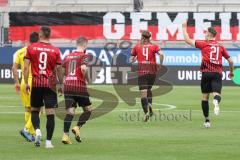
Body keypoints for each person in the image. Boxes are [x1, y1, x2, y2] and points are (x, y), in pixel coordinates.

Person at [182, 21, 234, 128]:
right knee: (217, 94)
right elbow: (231, 61)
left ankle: (207, 121)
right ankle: (216, 102)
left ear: (210, 34)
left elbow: (187, 40)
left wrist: (183, 27)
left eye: (206, 33)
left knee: (205, 97)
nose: (205, 34)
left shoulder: (204, 44)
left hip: (206, 73)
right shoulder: (220, 46)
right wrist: (231, 72)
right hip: (217, 73)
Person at [24, 26, 63, 148]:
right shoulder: (56, 50)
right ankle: (48, 142)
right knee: (50, 113)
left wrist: (26, 82)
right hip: (50, 85)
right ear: (49, 35)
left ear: (40, 35)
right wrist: (61, 84)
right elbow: (59, 69)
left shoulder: (31, 48)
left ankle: (37, 131)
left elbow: (25, 67)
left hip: (36, 83)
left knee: (35, 110)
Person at [61, 37, 92, 144]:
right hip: (79, 86)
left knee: (70, 112)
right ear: (85, 45)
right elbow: (83, 68)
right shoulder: (84, 55)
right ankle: (77, 127)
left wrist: (63, 84)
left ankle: (65, 135)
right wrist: (87, 79)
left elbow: (63, 71)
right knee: (88, 110)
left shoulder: (67, 56)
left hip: (68, 86)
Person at [130, 31, 164, 122]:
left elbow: (131, 60)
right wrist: (160, 64)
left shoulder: (137, 47)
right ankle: (150, 106)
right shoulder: (155, 46)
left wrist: (135, 58)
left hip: (142, 71)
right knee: (149, 89)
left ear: (143, 38)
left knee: (143, 93)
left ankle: (146, 113)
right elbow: (161, 54)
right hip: (152, 71)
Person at [12, 32, 39, 142]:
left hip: (23, 82)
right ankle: (26, 129)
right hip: (34, 81)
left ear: (29, 40)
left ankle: (32, 134)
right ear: (37, 41)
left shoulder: (19, 52)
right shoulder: (37, 51)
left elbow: (14, 68)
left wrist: (17, 83)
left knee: (28, 108)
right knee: (38, 110)